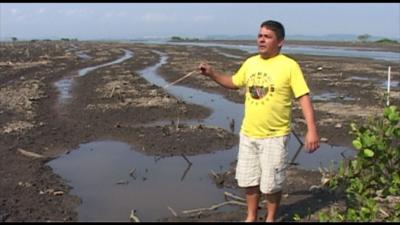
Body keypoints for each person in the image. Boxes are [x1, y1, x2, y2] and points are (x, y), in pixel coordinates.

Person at [198, 20, 319, 222]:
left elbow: (303, 97)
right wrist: (212, 74)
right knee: (248, 180)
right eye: (260, 35)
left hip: (275, 136)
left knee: (271, 184)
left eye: (267, 36)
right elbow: (234, 82)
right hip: (248, 134)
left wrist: (312, 130)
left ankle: (270, 218)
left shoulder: (289, 66)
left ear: (280, 42)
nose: (261, 40)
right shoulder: (251, 62)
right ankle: (251, 216)